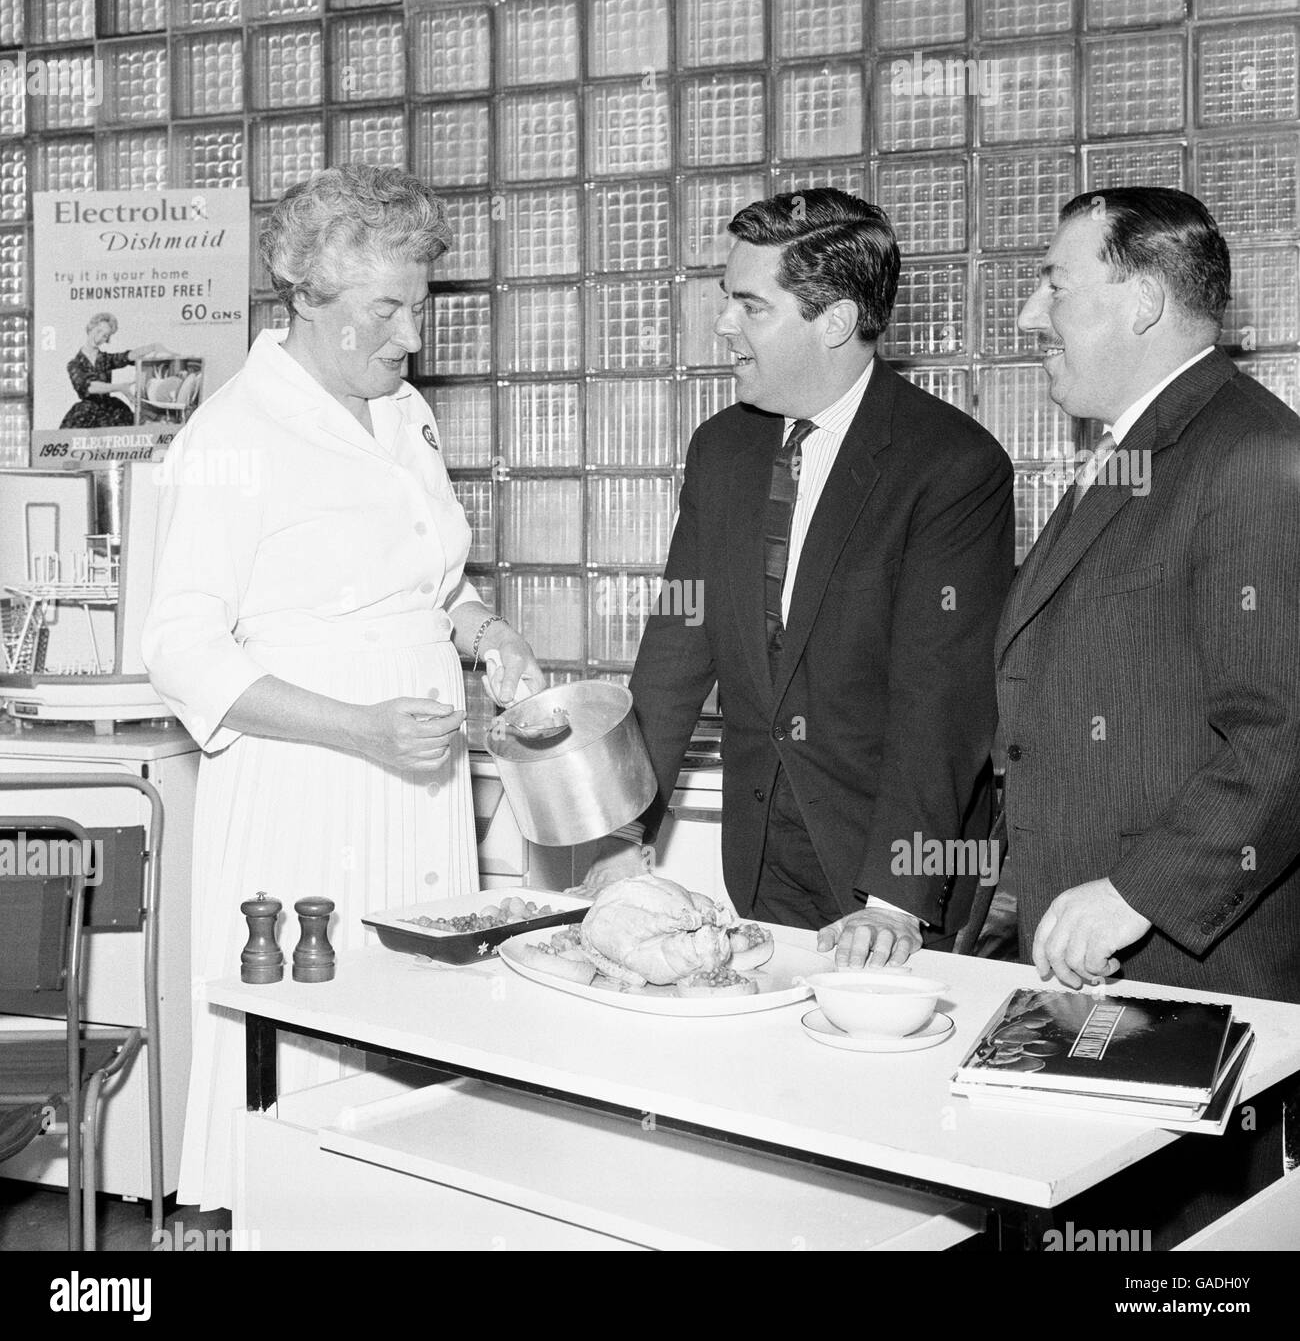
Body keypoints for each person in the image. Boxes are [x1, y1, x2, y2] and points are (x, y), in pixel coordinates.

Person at [142, 164, 545, 1211]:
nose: (413, 334)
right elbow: (180, 647)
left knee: (411, 1048)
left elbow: (431, 579)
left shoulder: (401, 413)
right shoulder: (232, 436)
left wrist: (483, 630)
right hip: (305, 793)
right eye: (388, 308)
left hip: (414, 785)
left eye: (421, 305)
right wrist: (359, 728)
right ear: (306, 300)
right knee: (308, 1052)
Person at [581, 189, 1015, 967]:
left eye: (751, 306)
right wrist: (623, 830)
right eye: (727, 302)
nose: (722, 327)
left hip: (895, 865)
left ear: (836, 321)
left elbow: (941, 701)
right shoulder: (722, 449)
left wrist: (893, 903)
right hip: (759, 846)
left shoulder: (951, 465)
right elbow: (677, 649)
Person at [998, 186, 1300, 1004]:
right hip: (1090, 962)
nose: (1031, 315)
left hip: (1190, 974)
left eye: (1056, 285)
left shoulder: (1253, 456)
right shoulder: (1139, 448)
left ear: (1143, 302)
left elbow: (1284, 735)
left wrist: (1137, 893)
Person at [62, 312, 171, 428]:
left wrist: (152, 347)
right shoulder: (74, 364)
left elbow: (127, 356)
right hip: (87, 412)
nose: (99, 338)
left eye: (105, 336)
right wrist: (119, 387)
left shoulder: (105, 359)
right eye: (98, 331)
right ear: (90, 328)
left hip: (110, 409)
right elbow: (90, 387)